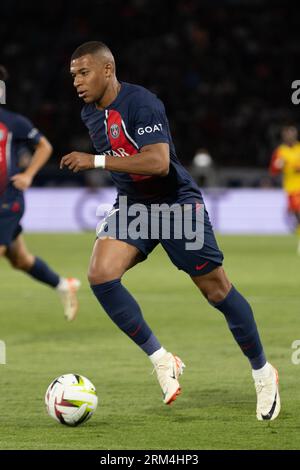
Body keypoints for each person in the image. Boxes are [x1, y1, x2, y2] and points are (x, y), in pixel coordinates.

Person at [60, 41, 280, 420]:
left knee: (217, 291)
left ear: (108, 70)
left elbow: (159, 162)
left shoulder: (141, 103)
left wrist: (95, 160)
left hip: (175, 204)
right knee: (100, 274)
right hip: (134, 207)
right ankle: (162, 360)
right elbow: (128, 166)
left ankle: (263, 373)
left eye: (84, 73)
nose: (77, 82)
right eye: (73, 76)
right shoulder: (89, 114)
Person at [0, 66, 80, 321]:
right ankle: (62, 285)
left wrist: (28, 175)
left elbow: (45, 146)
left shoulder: (12, 122)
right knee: (20, 260)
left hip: (7, 201)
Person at [269, 124, 300, 253]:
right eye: (287, 134)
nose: (289, 136)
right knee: (296, 214)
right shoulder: (280, 151)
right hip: (292, 188)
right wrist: (278, 166)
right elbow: (273, 170)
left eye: (291, 134)